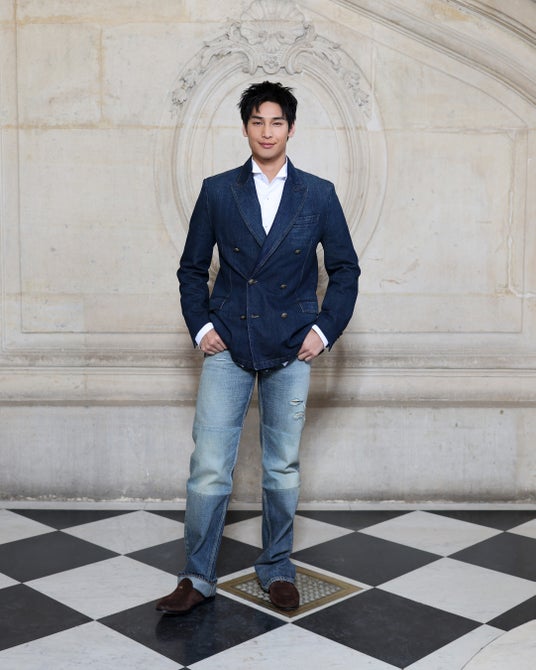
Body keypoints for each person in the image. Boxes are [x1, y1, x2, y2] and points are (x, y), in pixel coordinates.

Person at [156, 81, 360, 615]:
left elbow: (345, 270)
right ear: (245, 127)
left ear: (290, 129)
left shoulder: (319, 194)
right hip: (228, 343)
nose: (267, 132)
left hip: (292, 347)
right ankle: (197, 577)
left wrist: (323, 331)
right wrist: (201, 327)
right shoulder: (218, 191)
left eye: (276, 122)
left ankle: (277, 568)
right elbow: (191, 269)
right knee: (209, 466)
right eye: (257, 121)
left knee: (281, 467)